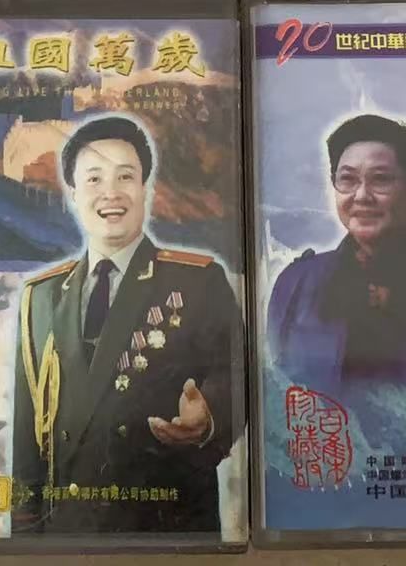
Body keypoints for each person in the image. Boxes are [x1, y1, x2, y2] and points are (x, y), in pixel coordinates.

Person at [12, 115, 242, 535]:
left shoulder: (198, 280)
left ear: (146, 189)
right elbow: (28, 432)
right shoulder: (41, 295)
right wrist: (25, 532)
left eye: (125, 177)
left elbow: (237, 374)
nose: (111, 193)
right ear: (72, 193)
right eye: (94, 179)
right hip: (67, 528)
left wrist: (208, 417)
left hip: (166, 527)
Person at [265, 114, 406, 389]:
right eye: (347, 179)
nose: (362, 196)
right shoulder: (297, 282)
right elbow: (278, 382)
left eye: (381, 179)